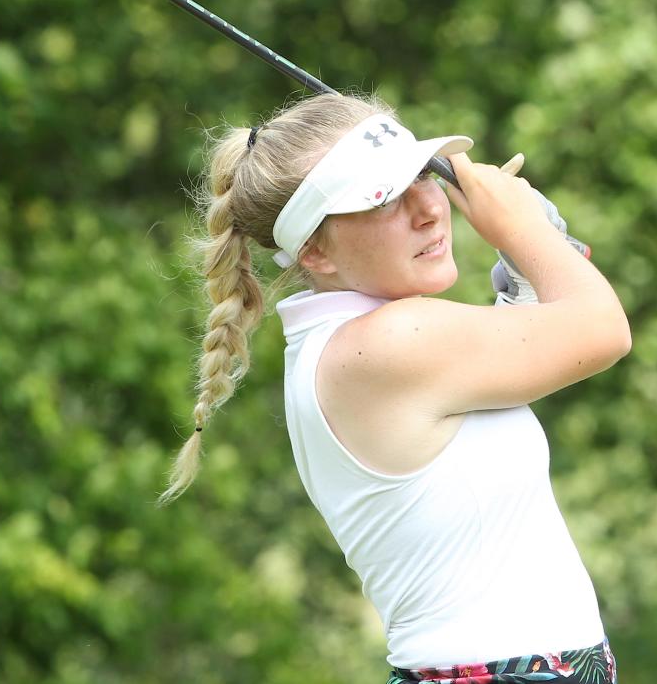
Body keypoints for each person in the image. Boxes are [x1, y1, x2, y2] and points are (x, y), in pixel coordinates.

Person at [160, 92, 631, 684]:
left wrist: (529, 274)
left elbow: (504, 397)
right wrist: (524, 231)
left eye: (422, 177)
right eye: (383, 199)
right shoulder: (389, 341)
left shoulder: (346, 344)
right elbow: (605, 331)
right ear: (313, 250)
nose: (429, 210)